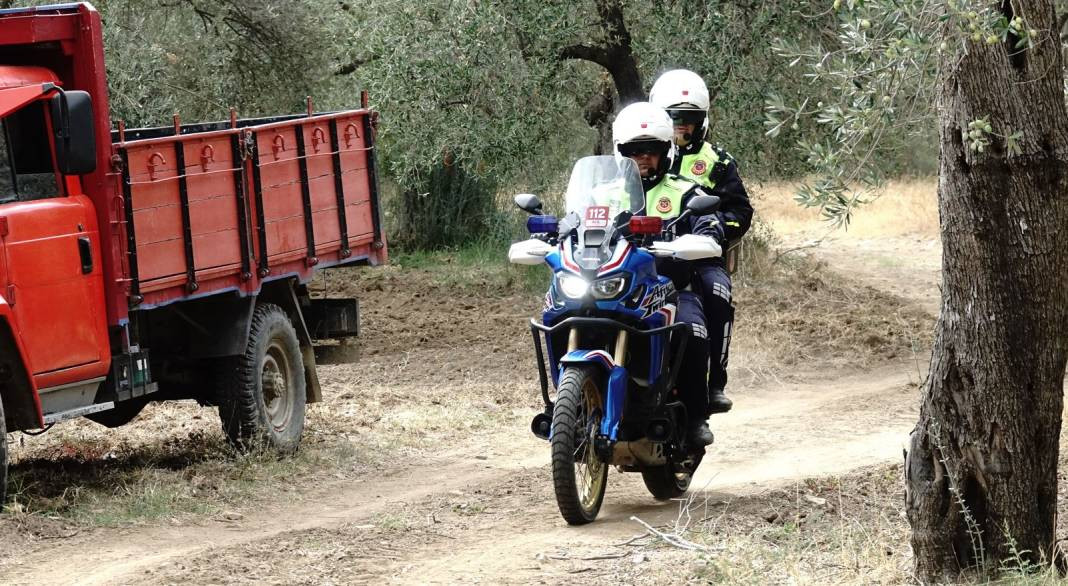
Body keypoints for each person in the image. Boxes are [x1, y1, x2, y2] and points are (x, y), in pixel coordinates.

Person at [611, 101, 722, 446]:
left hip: (669, 287)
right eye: (634, 151)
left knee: (692, 328)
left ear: (666, 152)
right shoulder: (605, 194)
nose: (643, 158)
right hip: (617, 287)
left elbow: (710, 223)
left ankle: (695, 418)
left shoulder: (686, 191)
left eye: (652, 151)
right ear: (621, 153)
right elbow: (575, 222)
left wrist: (704, 235)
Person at [649, 69, 754, 415]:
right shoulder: (640, 153)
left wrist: (711, 230)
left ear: (702, 121)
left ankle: (714, 382)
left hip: (699, 256)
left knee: (716, 290)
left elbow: (740, 210)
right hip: (643, 252)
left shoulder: (717, 161)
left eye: (689, 120)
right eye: (673, 118)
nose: (681, 126)